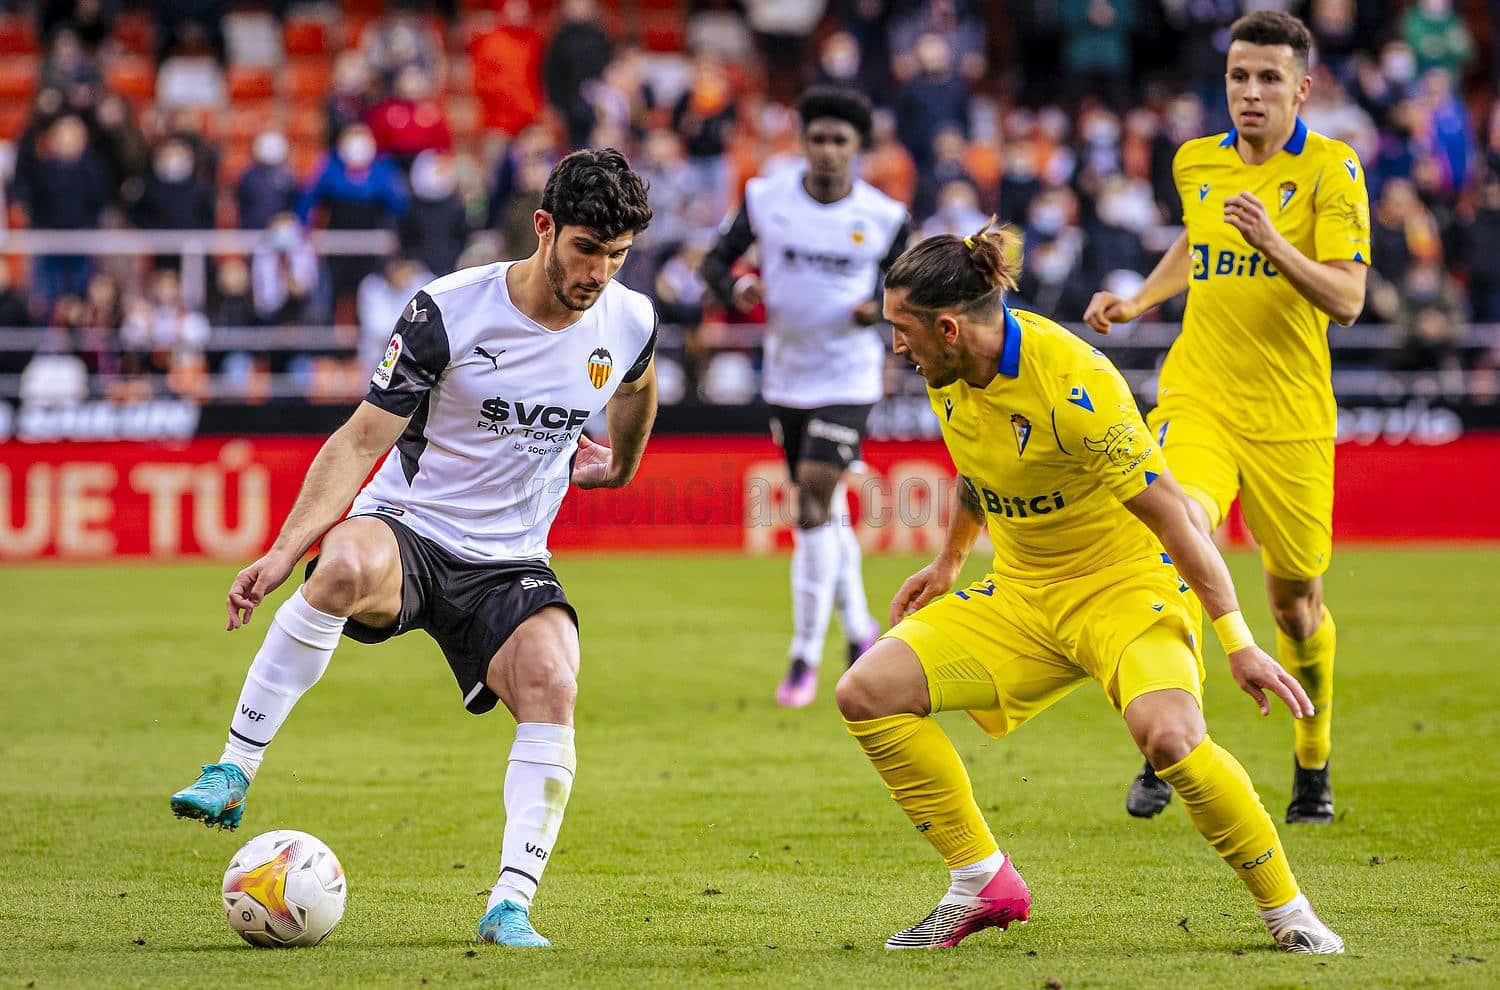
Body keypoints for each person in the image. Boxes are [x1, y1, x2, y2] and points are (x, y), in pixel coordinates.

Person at [168, 149, 660, 948]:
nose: (599, 271)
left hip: (511, 559)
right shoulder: (448, 310)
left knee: (553, 681)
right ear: (544, 228)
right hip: (411, 526)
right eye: (585, 249)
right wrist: (284, 550)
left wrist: (624, 466)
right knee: (344, 565)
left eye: (617, 255)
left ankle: (511, 902)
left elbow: (638, 386)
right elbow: (362, 436)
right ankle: (233, 768)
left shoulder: (629, 319)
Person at [836, 221, 1344, 954]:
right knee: (865, 693)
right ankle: (980, 879)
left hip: (1124, 590)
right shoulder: (949, 372)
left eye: (901, 330)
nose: (895, 347)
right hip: (1022, 595)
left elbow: (1174, 516)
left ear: (947, 327)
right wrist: (949, 563)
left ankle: (1289, 911)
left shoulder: (1074, 385)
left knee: (1170, 738)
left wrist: (1237, 640)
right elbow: (979, 473)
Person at [1083, 11, 1369, 825]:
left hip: (1290, 418)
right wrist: (1141, 298)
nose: (1250, 92)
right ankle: (1168, 742)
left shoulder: (1332, 171)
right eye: (1239, 77)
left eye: (1268, 78)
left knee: (1295, 606)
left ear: (1301, 89)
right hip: (1198, 396)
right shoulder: (1196, 161)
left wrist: (1276, 242)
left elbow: (1348, 300)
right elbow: (1197, 241)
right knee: (1173, 540)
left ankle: (1312, 766)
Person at [700, 87, 910, 708]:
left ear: (858, 149)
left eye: (839, 140)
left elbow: (913, 294)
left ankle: (803, 657)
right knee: (825, 510)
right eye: (816, 138)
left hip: (849, 378)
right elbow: (714, 263)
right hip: (786, 377)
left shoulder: (883, 216)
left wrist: (878, 310)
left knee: (813, 495)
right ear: (803, 142)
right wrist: (736, 285)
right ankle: (860, 629)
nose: (826, 150)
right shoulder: (766, 199)